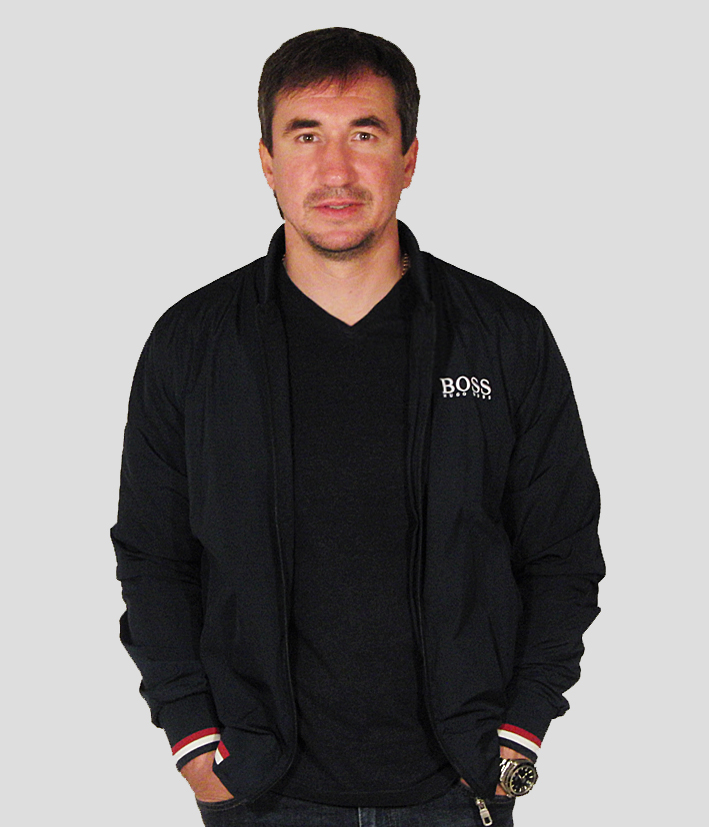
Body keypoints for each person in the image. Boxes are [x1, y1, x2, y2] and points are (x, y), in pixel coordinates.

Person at [112, 27, 604, 827]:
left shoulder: (501, 336)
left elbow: (561, 554)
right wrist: (196, 744)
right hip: (261, 795)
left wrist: (514, 748)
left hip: (458, 792)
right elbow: (153, 557)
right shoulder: (193, 344)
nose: (335, 171)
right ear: (266, 160)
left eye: (364, 135)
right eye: (305, 136)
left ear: (408, 158)